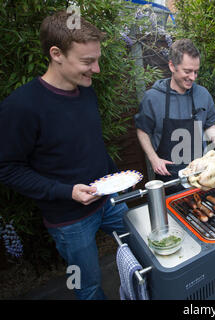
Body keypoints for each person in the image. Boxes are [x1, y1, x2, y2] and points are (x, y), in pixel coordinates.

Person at [0, 11, 129, 300]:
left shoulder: (87, 92)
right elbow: (7, 168)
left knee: (146, 250)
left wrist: (118, 179)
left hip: (110, 201)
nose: (96, 70)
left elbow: (91, 144)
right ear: (56, 53)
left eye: (97, 60)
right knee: (87, 286)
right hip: (68, 219)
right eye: (87, 62)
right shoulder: (20, 107)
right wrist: (66, 191)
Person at [135, 39, 215, 194]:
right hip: (170, 178)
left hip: (203, 175)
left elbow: (209, 125)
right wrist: (153, 158)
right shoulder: (153, 98)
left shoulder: (203, 95)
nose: (193, 77)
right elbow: (142, 130)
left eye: (196, 72)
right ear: (172, 66)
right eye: (187, 71)